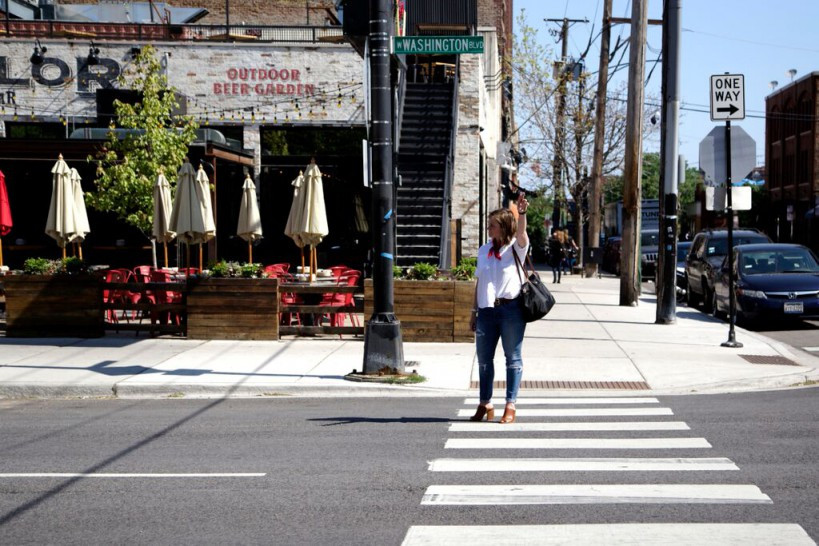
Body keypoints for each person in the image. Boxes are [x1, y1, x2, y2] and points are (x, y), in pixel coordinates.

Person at [469, 193, 530, 424]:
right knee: (484, 360)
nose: (488, 229)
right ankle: (485, 403)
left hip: (511, 310)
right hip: (486, 311)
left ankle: (510, 405)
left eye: (492, 226)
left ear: (503, 227)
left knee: (512, 358)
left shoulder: (516, 248)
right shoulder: (484, 250)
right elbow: (479, 282)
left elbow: (522, 233)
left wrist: (521, 213)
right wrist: (473, 311)